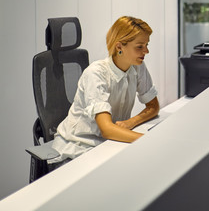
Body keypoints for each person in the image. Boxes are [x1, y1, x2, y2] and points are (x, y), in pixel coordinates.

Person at [49, 16, 160, 165]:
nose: (146, 51)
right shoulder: (96, 74)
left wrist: (131, 122)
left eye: (147, 45)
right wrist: (147, 140)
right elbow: (107, 129)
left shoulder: (137, 66)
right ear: (119, 47)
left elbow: (153, 106)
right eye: (139, 46)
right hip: (78, 147)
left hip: (109, 142)